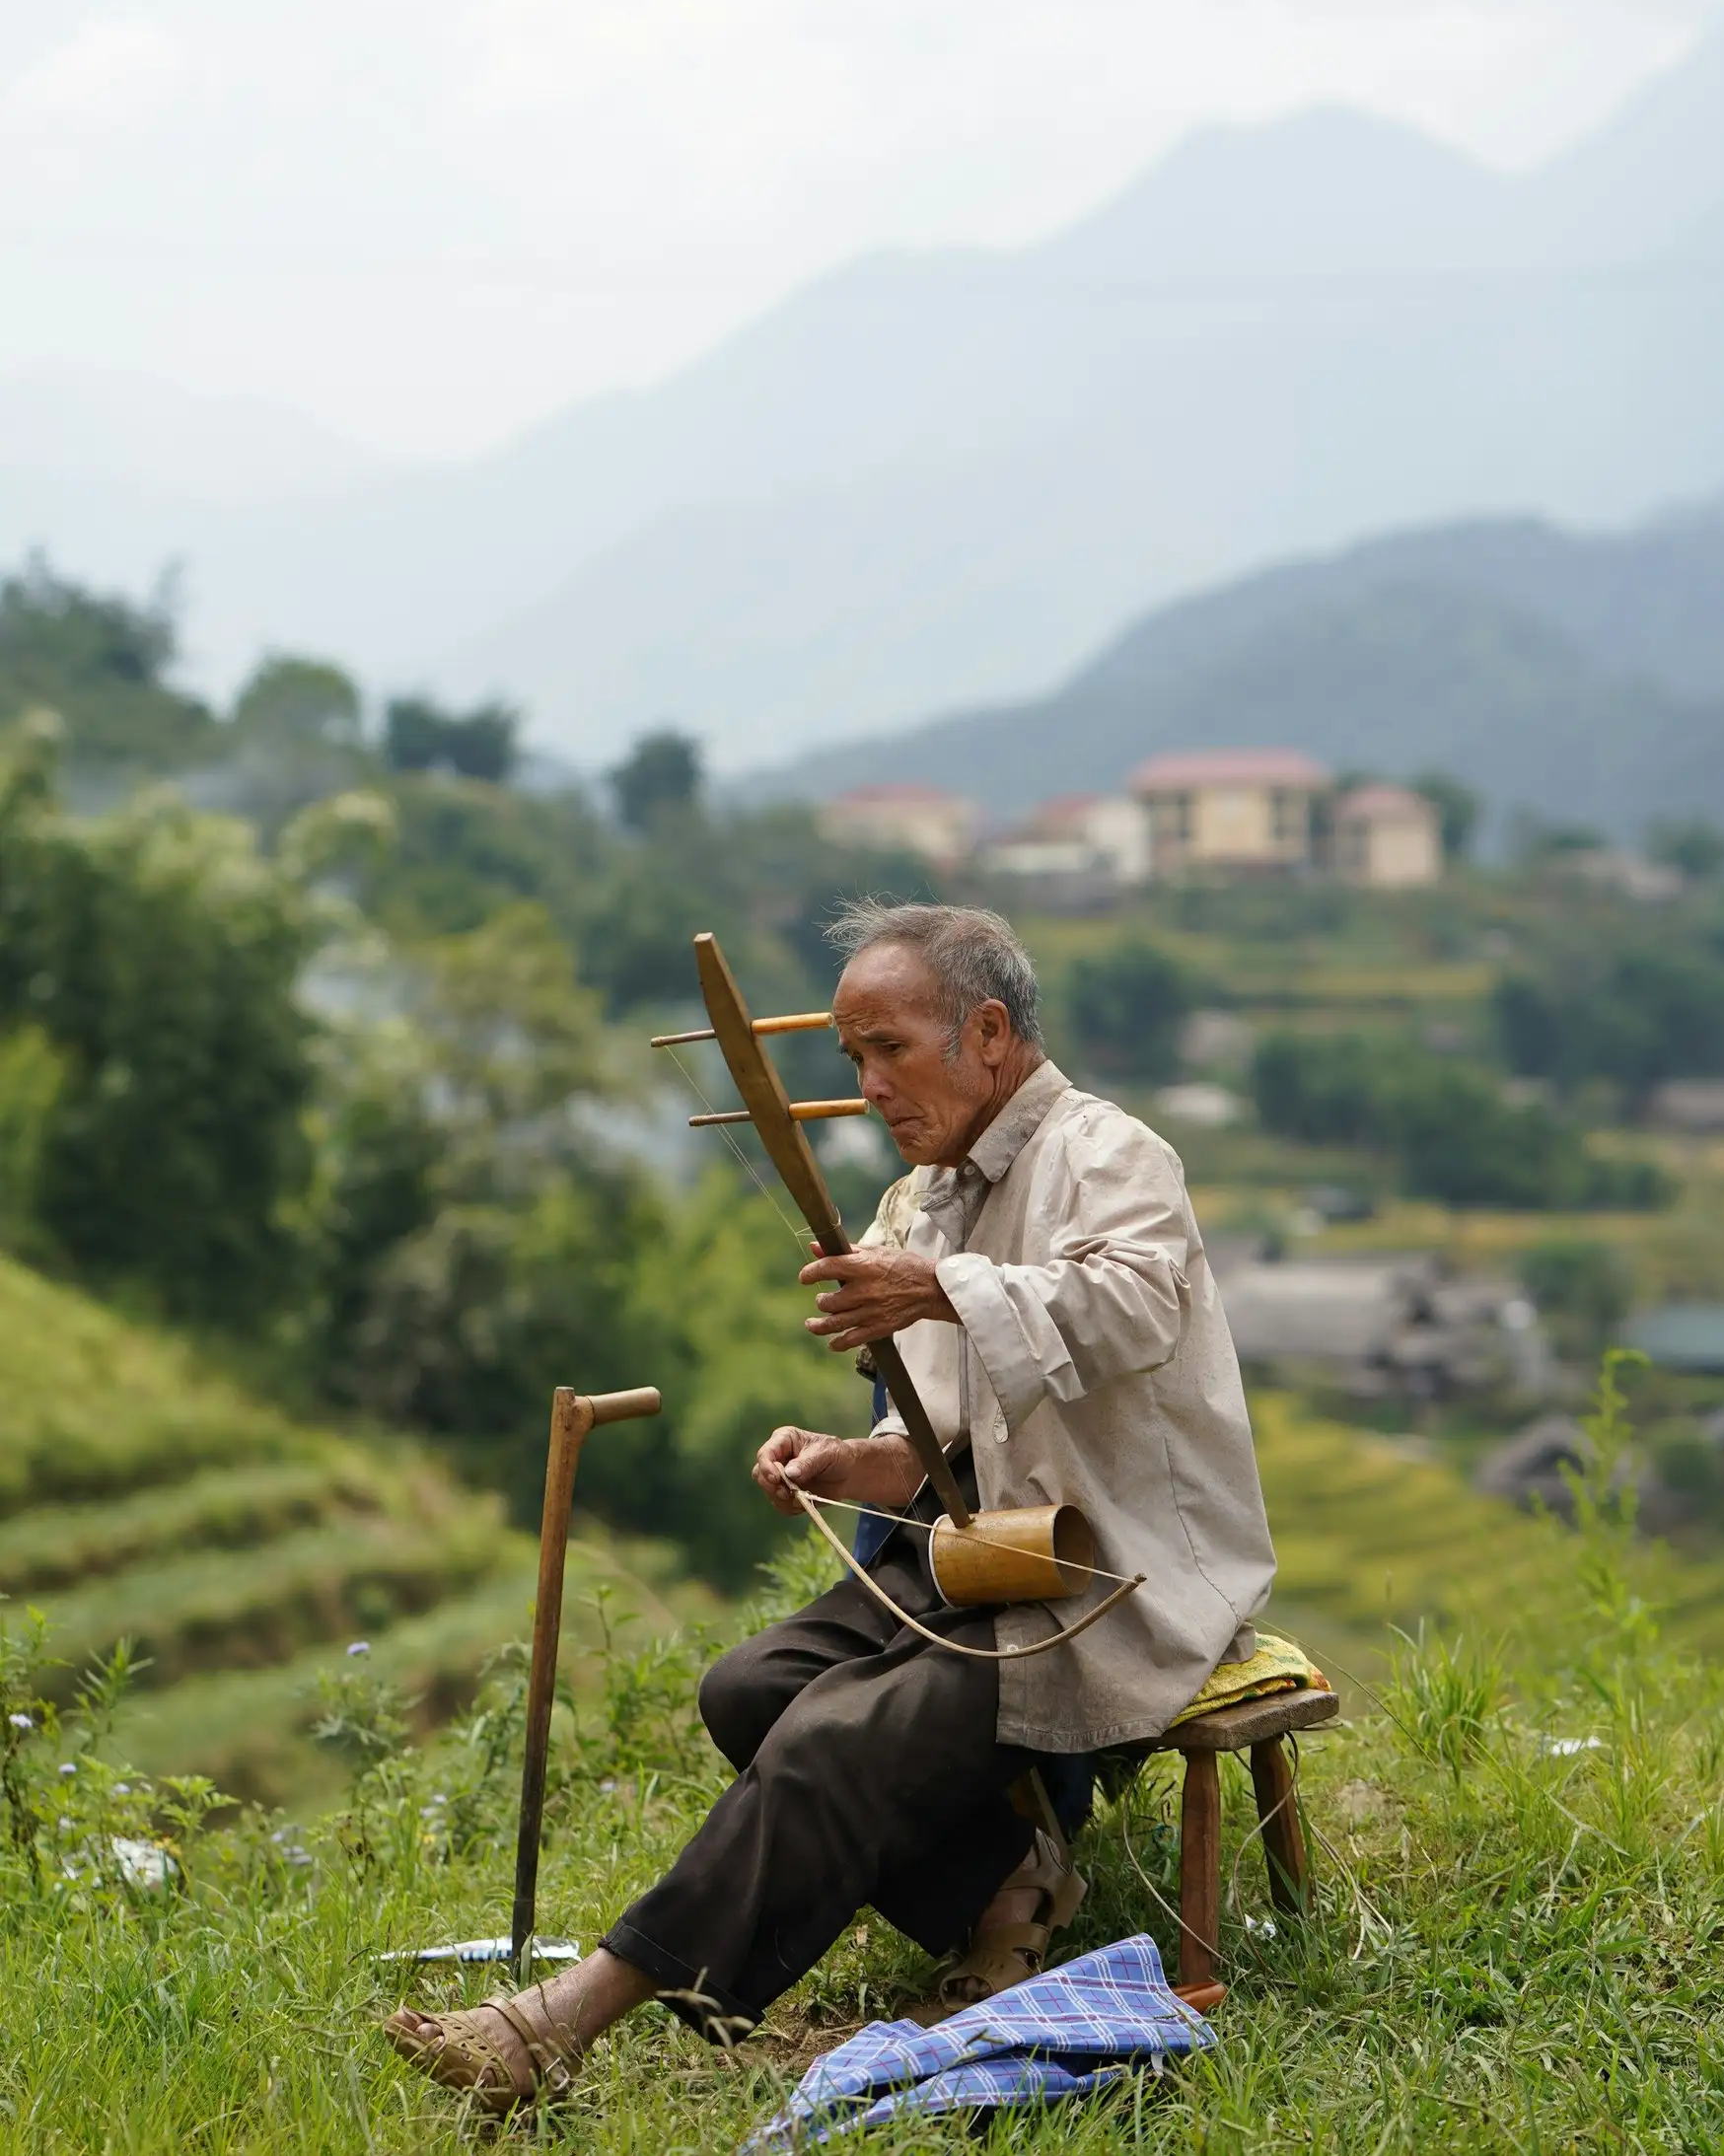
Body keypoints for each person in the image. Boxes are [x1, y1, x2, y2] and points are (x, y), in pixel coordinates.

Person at [385, 900, 1274, 2113]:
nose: (866, 1089)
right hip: (979, 1560)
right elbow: (937, 1446)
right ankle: (1008, 1887)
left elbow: (1132, 1310)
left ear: (991, 1033)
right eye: (852, 1058)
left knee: (831, 1741)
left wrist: (938, 1286)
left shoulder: (1108, 1155)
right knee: (745, 1691)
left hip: (1114, 1574)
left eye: (889, 1050)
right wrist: (847, 1461)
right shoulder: (923, 1198)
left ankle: (562, 2018)